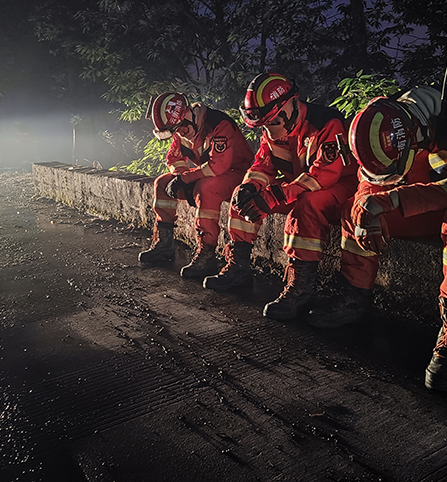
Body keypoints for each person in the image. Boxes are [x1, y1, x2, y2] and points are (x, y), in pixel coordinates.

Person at [307, 84, 447, 392]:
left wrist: (394, 200)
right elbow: (373, 181)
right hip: (432, 203)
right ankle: (353, 294)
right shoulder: (385, 123)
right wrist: (368, 209)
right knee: (355, 208)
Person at [203, 73, 359, 320]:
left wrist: (276, 196)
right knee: (241, 197)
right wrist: (250, 185)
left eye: (271, 122)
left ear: (290, 104)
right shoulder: (274, 126)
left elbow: (324, 175)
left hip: (340, 185)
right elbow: (263, 164)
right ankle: (238, 265)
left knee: (307, 206)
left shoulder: (327, 123)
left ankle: (301, 286)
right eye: (263, 125)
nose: (268, 130)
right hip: (300, 184)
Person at [139, 92, 254, 279]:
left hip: (237, 175)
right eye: (176, 130)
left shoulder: (219, 125)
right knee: (162, 183)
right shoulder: (181, 130)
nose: (181, 132)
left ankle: (207, 254)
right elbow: (174, 158)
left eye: (181, 127)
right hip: (207, 174)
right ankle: (164, 244)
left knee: (206, 188)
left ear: (188, 113)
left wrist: (187, 178)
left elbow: (219, 165)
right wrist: (180, 176)